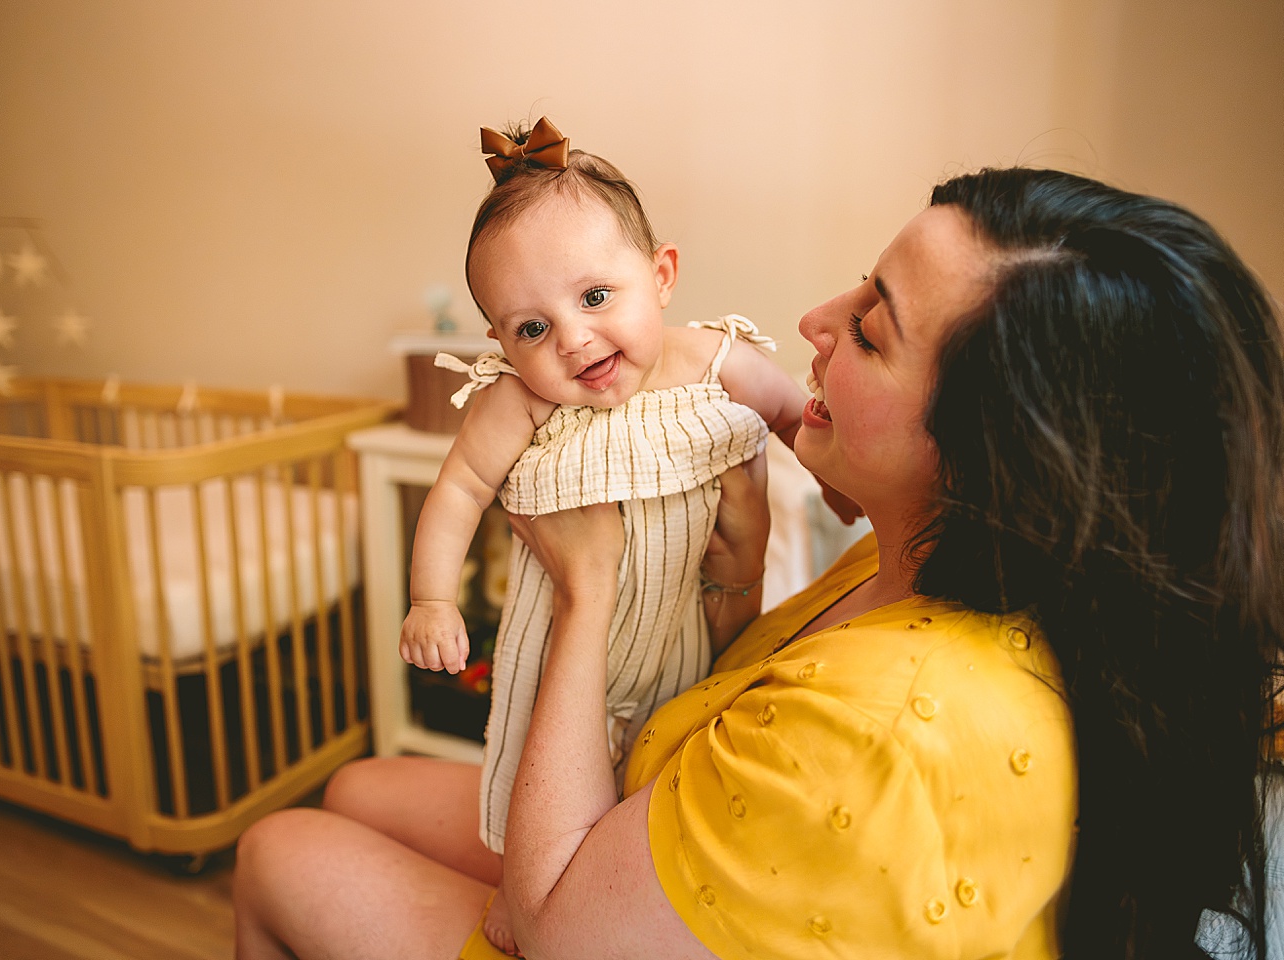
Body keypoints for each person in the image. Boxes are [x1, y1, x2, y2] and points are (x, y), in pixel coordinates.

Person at [233, 166, 1284, 959]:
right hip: (658, 776)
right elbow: (738, 699)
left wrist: (586, 591)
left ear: (998, 453)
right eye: (531, 327)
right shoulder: (910, 558)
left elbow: (552, 932)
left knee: (277, 849)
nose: (813, 323)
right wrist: (733, 589)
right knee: (362, 786)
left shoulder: (891, 730)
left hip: (574, 912)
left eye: (870, 332)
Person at [399, 116, 806, 952]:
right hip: (551, 650)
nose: (573, 339)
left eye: (593, 298)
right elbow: (457, 491)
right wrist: (432, 598)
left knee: (655, 774)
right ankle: (525, 887)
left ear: (660, 276)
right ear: (502, 344)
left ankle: (598, 898)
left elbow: (795, 411)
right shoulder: (520, 400)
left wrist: (835, 481)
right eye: (532, 328)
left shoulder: (707, 358)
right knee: (527, 768)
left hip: (679, 637)